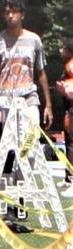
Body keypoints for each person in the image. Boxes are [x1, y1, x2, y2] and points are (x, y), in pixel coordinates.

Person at [0, 0, 52, 166]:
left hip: (29, 98)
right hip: (4, 99)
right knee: (8, 144)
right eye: (7, 12)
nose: (10, 16)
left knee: (31, 140)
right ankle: (9, 181)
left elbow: (41, 73)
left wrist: (48, 105)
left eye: (14, 12)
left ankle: (26, 177)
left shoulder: (34, 40)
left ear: (22, 15)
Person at [57, 38, 73, 196]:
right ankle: (68, 177)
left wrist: (65, 90)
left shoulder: (71, 66)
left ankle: (71, 179)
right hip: (68, 108)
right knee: (68, 141)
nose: (60, 51)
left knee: (71, 144)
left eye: (63, 48)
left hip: (71, 109)